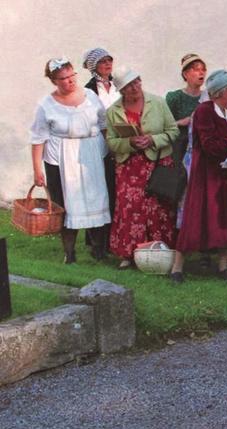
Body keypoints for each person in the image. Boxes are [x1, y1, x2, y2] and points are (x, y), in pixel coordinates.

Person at [29, 58, 111, 264]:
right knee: (64, 204)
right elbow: (38, 138)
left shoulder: (91, 96)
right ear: (54, 81)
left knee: (97, 198)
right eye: (63, 79)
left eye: (71, 76)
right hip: (61, 157)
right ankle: (70, 252)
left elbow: (103, 123)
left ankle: (98, 249)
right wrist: (37, 169)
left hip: (92, 152)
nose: (69, 81)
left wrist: (112, 149)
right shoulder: (46, 105)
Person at [172, 69, 227, 282]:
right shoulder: (204, 111)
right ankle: (177, 267)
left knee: (224, 219)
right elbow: (207, 143)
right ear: (219, 92)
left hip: (224, 173)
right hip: (205, 175)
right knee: (195, 218)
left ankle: (223, 265)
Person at [104, 68, 180, 269]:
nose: (135, 87)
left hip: (157, 163)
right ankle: (128, 254)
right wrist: (130, 142)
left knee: (158, 207)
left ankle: (161, 249)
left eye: (137, 82)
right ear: (121, 91)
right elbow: (111, 142)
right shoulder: (113, 111)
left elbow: (173, 131)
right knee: (130, 208)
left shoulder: (158, 102)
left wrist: (153, 139)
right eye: (129, 86)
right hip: (129, 167)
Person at [81, 47, 118, 260]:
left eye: (109, 60)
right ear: (95, 66)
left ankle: (113, 239)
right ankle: (96, 240)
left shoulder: (117, 85)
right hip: (99, 144)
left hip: (120, 141)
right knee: (99, 190)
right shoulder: (89, 90)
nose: (107, 64)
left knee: (114, 191)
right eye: (103, 61)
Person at [165, 54, 206, 134]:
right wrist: (180, 122)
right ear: (185, 74)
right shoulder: (174, 98)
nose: (201, 73)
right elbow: (163, 127)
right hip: (180, 144)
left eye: (204, 70)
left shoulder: (208, 97)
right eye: (196, 70)